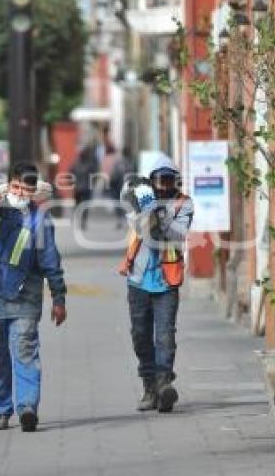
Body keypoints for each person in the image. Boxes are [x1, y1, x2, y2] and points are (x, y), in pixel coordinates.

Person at [0, 162, 67, 433]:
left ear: (34, 192)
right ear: (8, 185)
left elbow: (51, 260)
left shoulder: (40, 220)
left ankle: (27, 407)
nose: (20, 193)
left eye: (27, 190)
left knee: (25, 351)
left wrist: (58, 298)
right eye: (16, 187)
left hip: (24, 297)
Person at [118, 153, 193, 414]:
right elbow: (138, 225)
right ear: (150, 182)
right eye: (158, 181)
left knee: (165, 336)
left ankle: (164, 385)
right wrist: (136, 194)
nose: (163, 186)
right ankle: (149, 386)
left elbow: (176, 234)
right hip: (138, 280)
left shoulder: (184, 204)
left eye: (168, 180)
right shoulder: (141, 200)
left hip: (166, 281)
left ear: (176, 181)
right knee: (140, 336)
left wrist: (159, 214)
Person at [70, 146, 97, 230]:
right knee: (83, 206)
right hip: (84, 188)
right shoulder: (88, 165)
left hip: (80, 188)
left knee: (80, 205)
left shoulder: (76, 164)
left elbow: (70, 173)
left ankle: (81, 220)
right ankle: (81, 220)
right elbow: (94, 175)